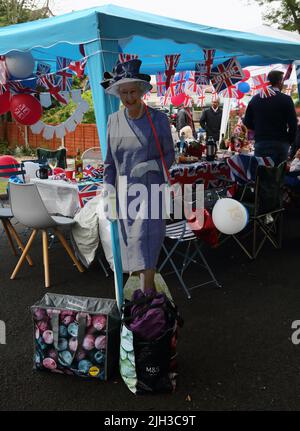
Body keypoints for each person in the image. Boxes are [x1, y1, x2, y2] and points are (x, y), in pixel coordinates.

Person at [101, 59, 175, 292]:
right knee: (130, 245)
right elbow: (109, 162)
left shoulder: (159, 119)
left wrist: (151, 165)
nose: (129, 97)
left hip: (151, 192)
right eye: (124, 92)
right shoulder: (113, 121)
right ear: (118, 93)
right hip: (124, 193)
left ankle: (148, 297)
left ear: (142, 91)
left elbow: (170, 155)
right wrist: (107, 190)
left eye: (133, 91)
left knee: (146, 243)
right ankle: (138, 300)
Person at [243, 70, 297, 165]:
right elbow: (293, 124)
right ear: (280, 82)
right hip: (280, 142)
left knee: (261, 174)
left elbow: (247, 122)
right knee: (278, 176)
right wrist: (289, 141)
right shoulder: (286, 99)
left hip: (261, 142)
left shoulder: (255, 99)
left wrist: (260, 130)